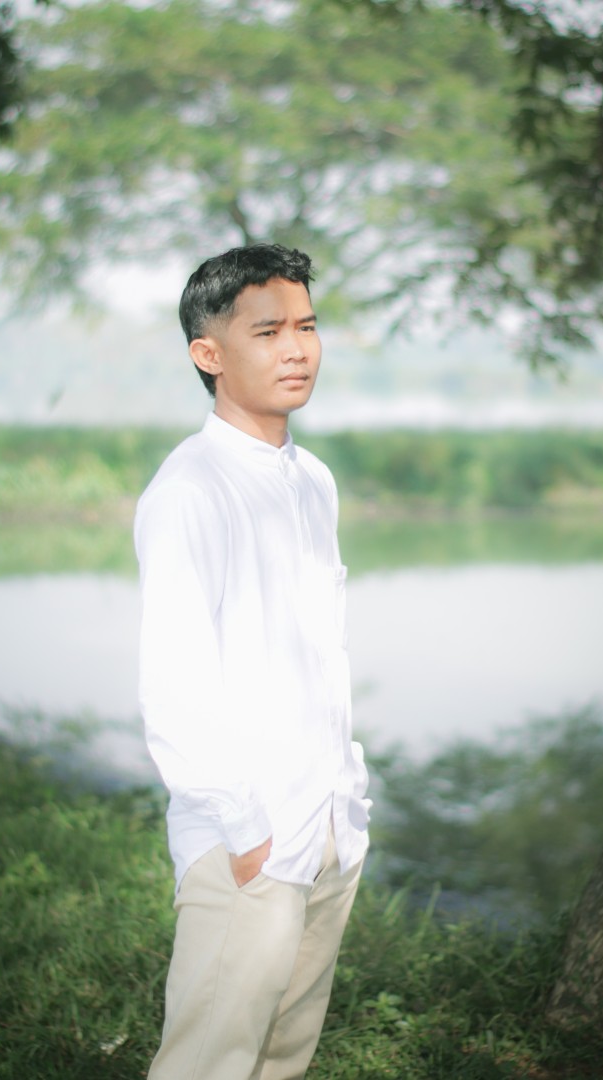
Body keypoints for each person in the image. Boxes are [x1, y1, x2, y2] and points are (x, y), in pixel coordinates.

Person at [135, 243, 371, 1080]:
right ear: (209, 354)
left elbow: (316, 651)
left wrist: (347, 795)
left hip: (327, 822)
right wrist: (243, 829)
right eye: (268, 332)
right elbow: (174, 682)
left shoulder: (312, 480)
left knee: (282, 1058)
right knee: (207, 1062)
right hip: (251, 838)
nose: (297, 349)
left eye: (306, 326)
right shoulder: (189, 490)